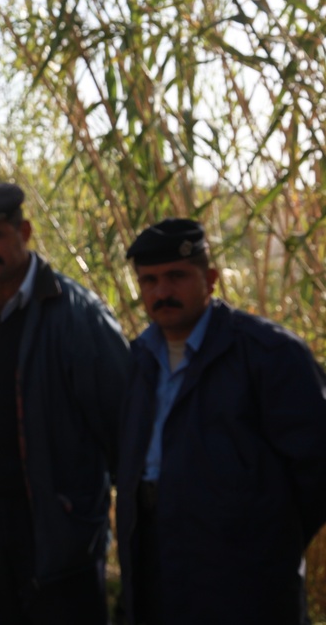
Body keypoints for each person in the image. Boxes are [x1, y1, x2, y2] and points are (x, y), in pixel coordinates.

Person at [117, 218, 326, 625]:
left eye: (176, 277)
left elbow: (318, 465)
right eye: (149, 281)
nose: (162, 293)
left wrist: (266, 540)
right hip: (157, 562)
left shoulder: (268, 355)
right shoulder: (139, 358)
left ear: (210, 279)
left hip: (243, 579)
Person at [0, 183, 130, 624]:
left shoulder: (76, 312)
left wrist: (87, 514)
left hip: (57, 523)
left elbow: (120, 423)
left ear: (23, 231)